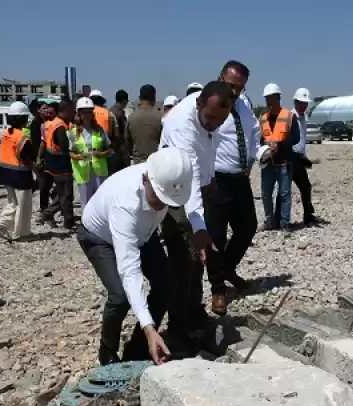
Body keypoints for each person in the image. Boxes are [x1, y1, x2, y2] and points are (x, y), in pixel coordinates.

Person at [77, 147, 193, 365]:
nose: (161, 205)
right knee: (120, 296)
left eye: (167, 201)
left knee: (167, 285)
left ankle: (139, 349)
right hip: (99, 236)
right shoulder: (126, 203)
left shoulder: (170, 179)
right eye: (158, 198)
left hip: (144, 233)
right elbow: (130, 270)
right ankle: (107, 351)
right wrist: (149, 327)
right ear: (145, 180)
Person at [159, 81, 233, 348]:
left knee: (197, 261)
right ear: (199, 104)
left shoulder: (211, 117)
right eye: (211, 117)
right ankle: (178, 330)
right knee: (184, 261)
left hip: (194, 190)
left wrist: (211, 176)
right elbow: (187, 178)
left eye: (221, 119)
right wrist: (199, 228)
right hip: (173, 195)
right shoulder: (181, 125)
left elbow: (209, 145)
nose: (215, 123)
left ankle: (193, 312)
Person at [204, 61, 259, 316]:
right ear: (220, 78)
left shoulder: (245, 107)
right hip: (216, 180)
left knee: (248, 227)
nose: (235, 92)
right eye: (232, 85)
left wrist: (259, 153)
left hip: (239, 178)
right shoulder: (210, 105)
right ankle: (218, 290)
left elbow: (253, 134)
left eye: (240, 88)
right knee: (215, 237)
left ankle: (226, 268)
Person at [0, 102, 36, 242]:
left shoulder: (6, 134)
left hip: (5, 172)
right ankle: (21, 232)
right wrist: (38, 172)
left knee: (12, 203)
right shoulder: (23, 137)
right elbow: (27, 159)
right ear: (23, 119)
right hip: (20, 174)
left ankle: (2, 225)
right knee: (23, 204)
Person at [258, 83, 300, 231]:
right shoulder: (263, 118)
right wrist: (264, 146)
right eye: (267, 99)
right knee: (266, 194)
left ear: (278, 98)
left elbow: (296, 137)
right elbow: (260, 139)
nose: (269, 102)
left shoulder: (289, 116)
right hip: (267, 162)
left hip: (284, 162)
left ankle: (284, 223)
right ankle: (269, 222)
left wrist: (280, 144)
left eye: (271, 99)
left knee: (284, 194)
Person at [39, 98, 76, 229]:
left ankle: (67, 220)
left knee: (62, 194)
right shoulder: (60, 126)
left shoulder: (51, 123)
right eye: (72, 111)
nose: (74, 114)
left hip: (52, 162)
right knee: (66, 194)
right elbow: (66, 146)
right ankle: (50, 214)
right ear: (66, 111)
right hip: (61, 164)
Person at [70, 97, 113, 208]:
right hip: (83, 173)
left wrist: (101, 154)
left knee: (100, 201)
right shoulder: (73, 132)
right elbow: (70, 153)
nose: (87, 115)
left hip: (99, 172)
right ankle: (87, 224)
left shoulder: (99, 130)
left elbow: (109, 150)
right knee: (86, 203)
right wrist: (79, 156)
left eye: (89, 112)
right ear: (79, 113)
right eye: (84, 112)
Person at [290, 87, 321, 226]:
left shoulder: (303, 117)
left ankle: (308, 215)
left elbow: (302, 137)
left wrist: (304, 155)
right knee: (287, 190)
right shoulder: (290, 117)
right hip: (291, 157)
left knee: (305, 187)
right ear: (295, 102)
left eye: (306, 103)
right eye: (301, 103)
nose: (304, 106)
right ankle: (280, 219)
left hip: (300, 157)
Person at [126, 84, 162, 164]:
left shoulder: (131, 118)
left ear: (140, 98)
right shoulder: (160, 117)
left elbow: (128, 142)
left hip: (137, 162)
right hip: (156, 162)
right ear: (154, 98)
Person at [89, 90, 123, 175]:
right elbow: (116, 135)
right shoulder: (109, 113)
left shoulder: (84, 113)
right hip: (105, 151)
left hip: (88, 152)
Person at [110, 90, 130, 171]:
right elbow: (123, 133)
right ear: (124, 101)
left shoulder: (110, 110)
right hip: (119, 149)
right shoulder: (119, 113)